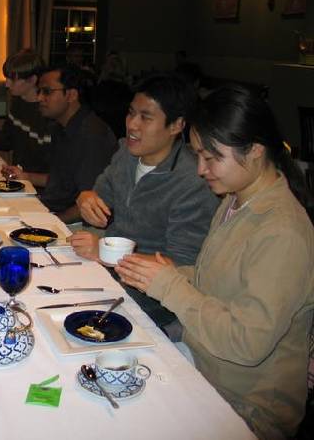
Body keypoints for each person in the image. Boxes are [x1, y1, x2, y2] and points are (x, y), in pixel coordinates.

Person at [115, 85, 314, 439]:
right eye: (198, 156)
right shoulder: (235, 201)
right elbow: (221, 279)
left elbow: (246, 343)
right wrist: (169, 274)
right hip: (201, 363)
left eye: (212, 158)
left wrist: (170, 286)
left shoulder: (283, 232)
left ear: (255, 150)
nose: (201, 169)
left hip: (244, 406)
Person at [71, 73, 219, 333]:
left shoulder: (193, 180)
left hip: (151, 299)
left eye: (146, 117)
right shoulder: (126, 154)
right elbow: (99, 198)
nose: (132, 125)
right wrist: (85, 198)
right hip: (108, 275)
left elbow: (182, 264)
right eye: (131, 113)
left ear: (176, 125)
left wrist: (106, 252)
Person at [4, 64, 117, 223]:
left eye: (47, 91)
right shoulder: (60, 127)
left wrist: (50, 221)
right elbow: (63, 180)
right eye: (39, 91)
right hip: (53, 208)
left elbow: (92, 202)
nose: (39, 98)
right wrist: (26, 176)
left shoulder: (92, 135)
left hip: (80, 224)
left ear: (71, 95)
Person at [0, 49, 51, 175]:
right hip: (18, 176)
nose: (6, 84)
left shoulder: (48, 112)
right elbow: (9, 139)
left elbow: (51, 166)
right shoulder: (18, 102)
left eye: (12, 79)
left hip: (37, 182)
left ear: (32, 80)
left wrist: (25, 176)